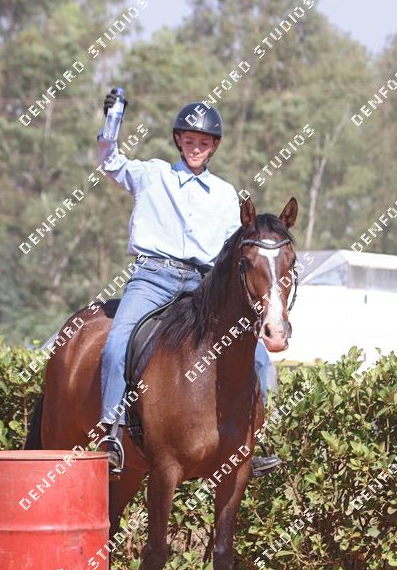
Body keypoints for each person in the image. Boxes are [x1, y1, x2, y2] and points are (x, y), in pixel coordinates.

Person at [95, 89, 281, 478]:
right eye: (190, 140)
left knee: (260, 355)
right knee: (116, 343)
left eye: (204, 143)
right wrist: (113, 119)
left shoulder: (226, 195)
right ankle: (112, 433)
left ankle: (256, 439)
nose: (196, 148)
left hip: (202, 285)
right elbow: (110, 162)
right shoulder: (152, 174)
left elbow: (233, 251)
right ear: (178, 140)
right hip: (153, 278)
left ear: (214, 147)